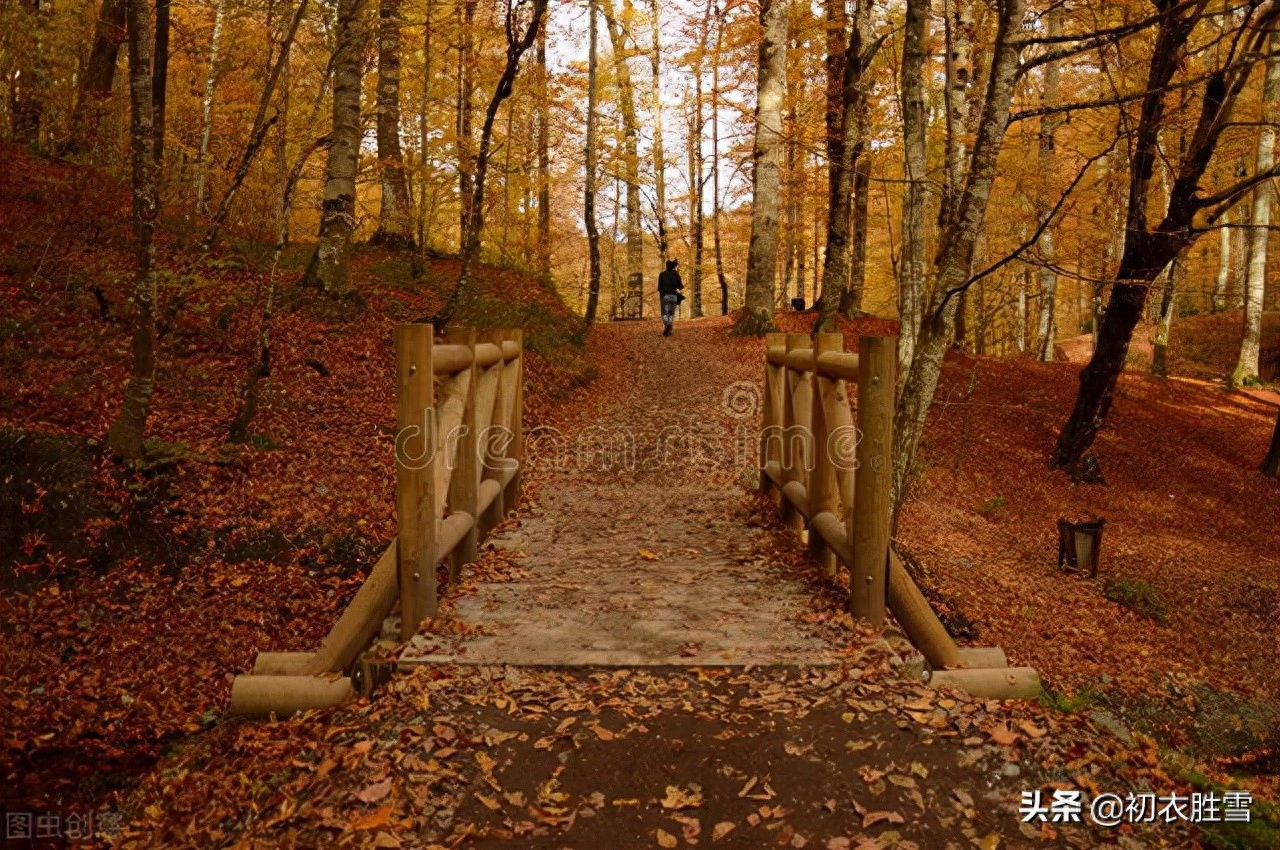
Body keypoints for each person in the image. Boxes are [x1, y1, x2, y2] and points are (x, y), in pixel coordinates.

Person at [657, 259, 684, 336]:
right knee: (671, 314)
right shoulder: (676, 274)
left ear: (666, 266)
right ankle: (669, 331)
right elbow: (681, 286)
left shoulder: (662, 274)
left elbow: (659, 288)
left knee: (664, 314)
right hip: (674, 297)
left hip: (665, 297)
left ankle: (668, 325)